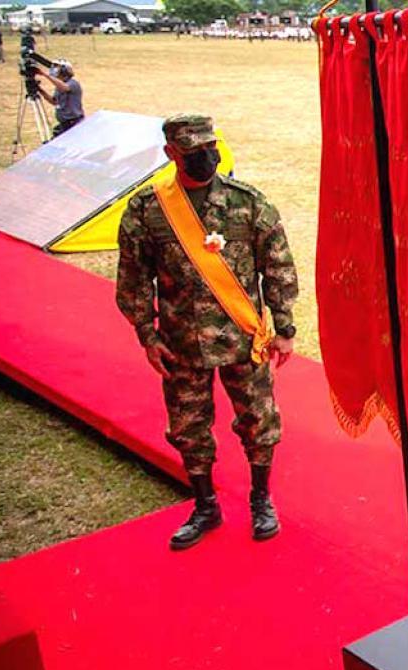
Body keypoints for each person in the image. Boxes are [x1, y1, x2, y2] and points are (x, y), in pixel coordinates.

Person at [115, 114, 299, 551]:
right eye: (194, 152)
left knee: (259, 422)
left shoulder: (248, 203)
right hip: (181, 344)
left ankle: (261, 499)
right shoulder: (148, 210)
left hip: (243, 340)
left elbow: (277, 265)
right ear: (171, 154)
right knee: (187, 428)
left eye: (210, 148)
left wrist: (285, 326)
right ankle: (205, 504)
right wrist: (147, 333)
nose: (206, 158)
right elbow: (134, 278)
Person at [35, 60, 83, 137]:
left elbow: (64, 88)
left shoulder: (73, 83)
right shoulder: (58, 87)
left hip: (74, 123)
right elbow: (54, 101)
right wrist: (39, 90)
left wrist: (45, 74)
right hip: (64, 124)